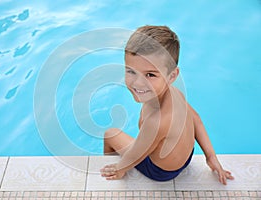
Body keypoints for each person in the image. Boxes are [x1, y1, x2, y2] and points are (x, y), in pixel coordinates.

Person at [100, 25, 234, 185]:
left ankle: (107, 172)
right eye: (131, 71)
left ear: (172, 76)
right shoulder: (175, 93)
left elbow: (136, 155)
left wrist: (120, 169)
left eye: (150, 74)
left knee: (110, 134)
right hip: (186, 157)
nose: (138, 82)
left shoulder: (156, 121)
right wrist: (211, 157)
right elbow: (196, 119)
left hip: (162, 171)